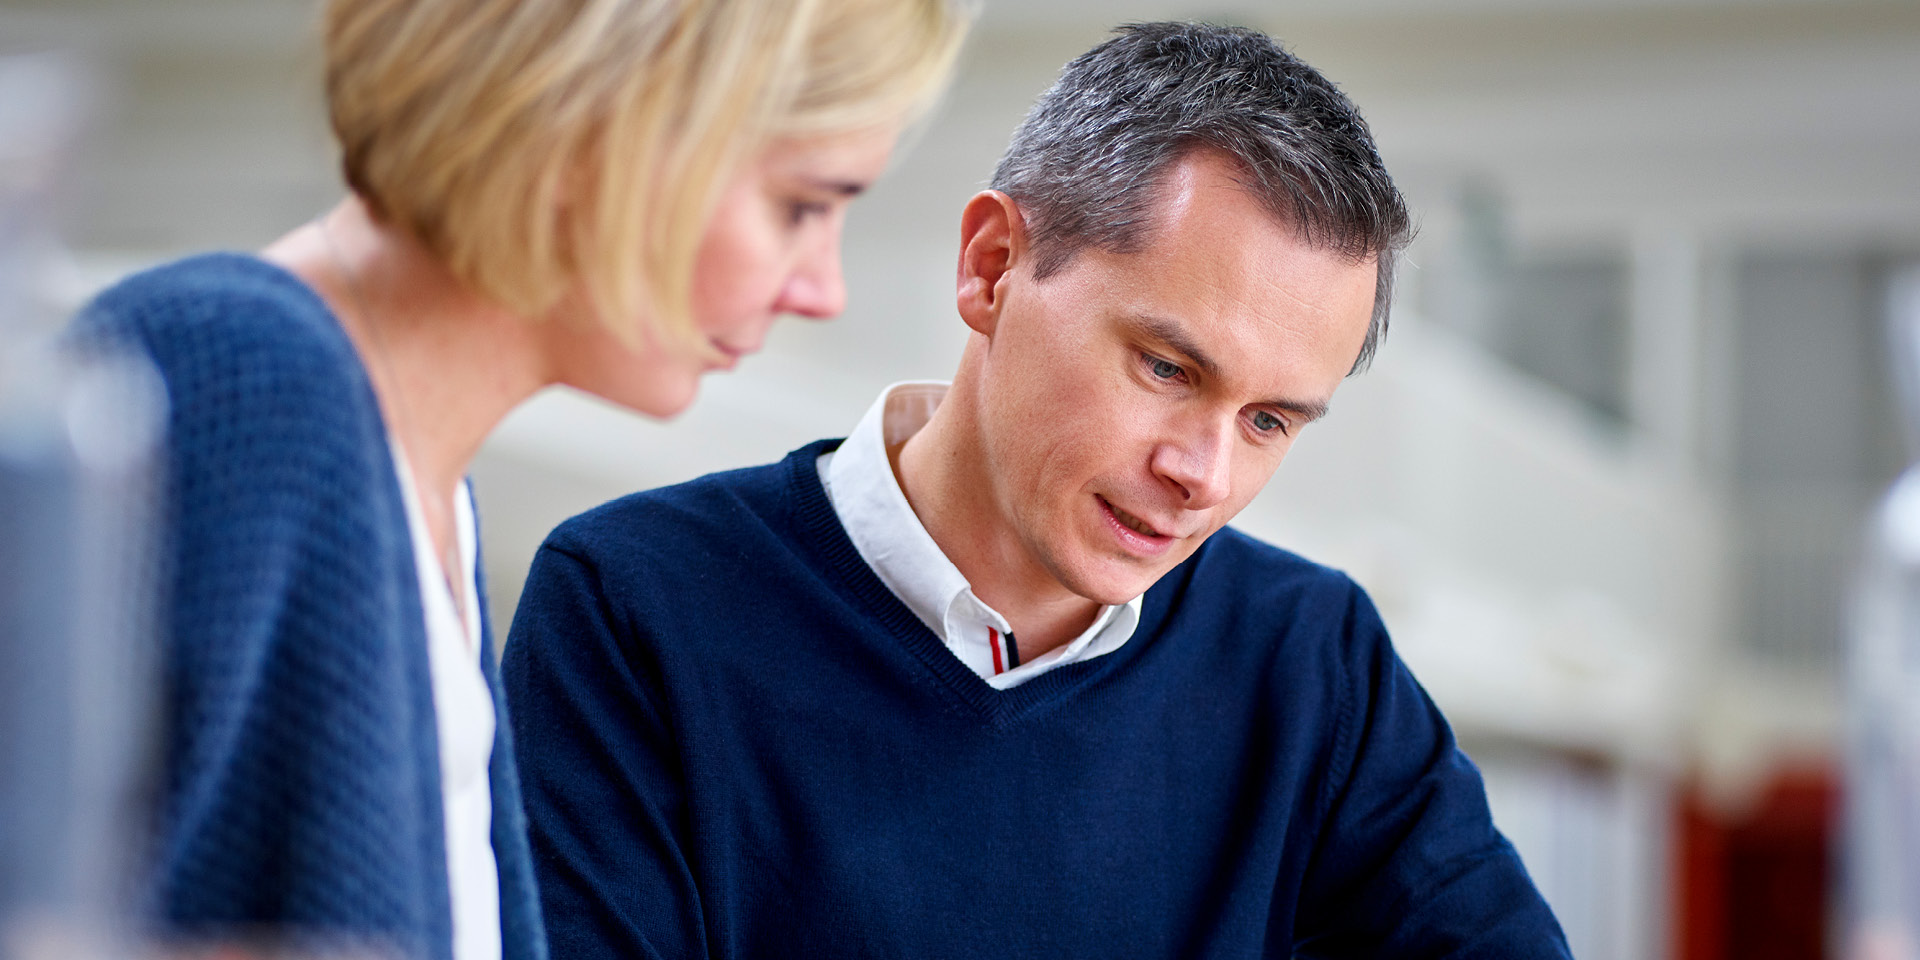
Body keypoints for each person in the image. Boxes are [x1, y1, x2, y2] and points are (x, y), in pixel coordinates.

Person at [505, 21, 1573, 959]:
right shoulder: (636, 604)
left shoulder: (1309, 660)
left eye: (1268, 421)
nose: (1202, 475)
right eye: (1166, 368)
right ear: (992, 265)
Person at [68, 1, 968, 959]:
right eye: (801, 205)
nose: (819, 289)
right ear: (603, 127)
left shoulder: (418, 483)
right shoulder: (244, 382)